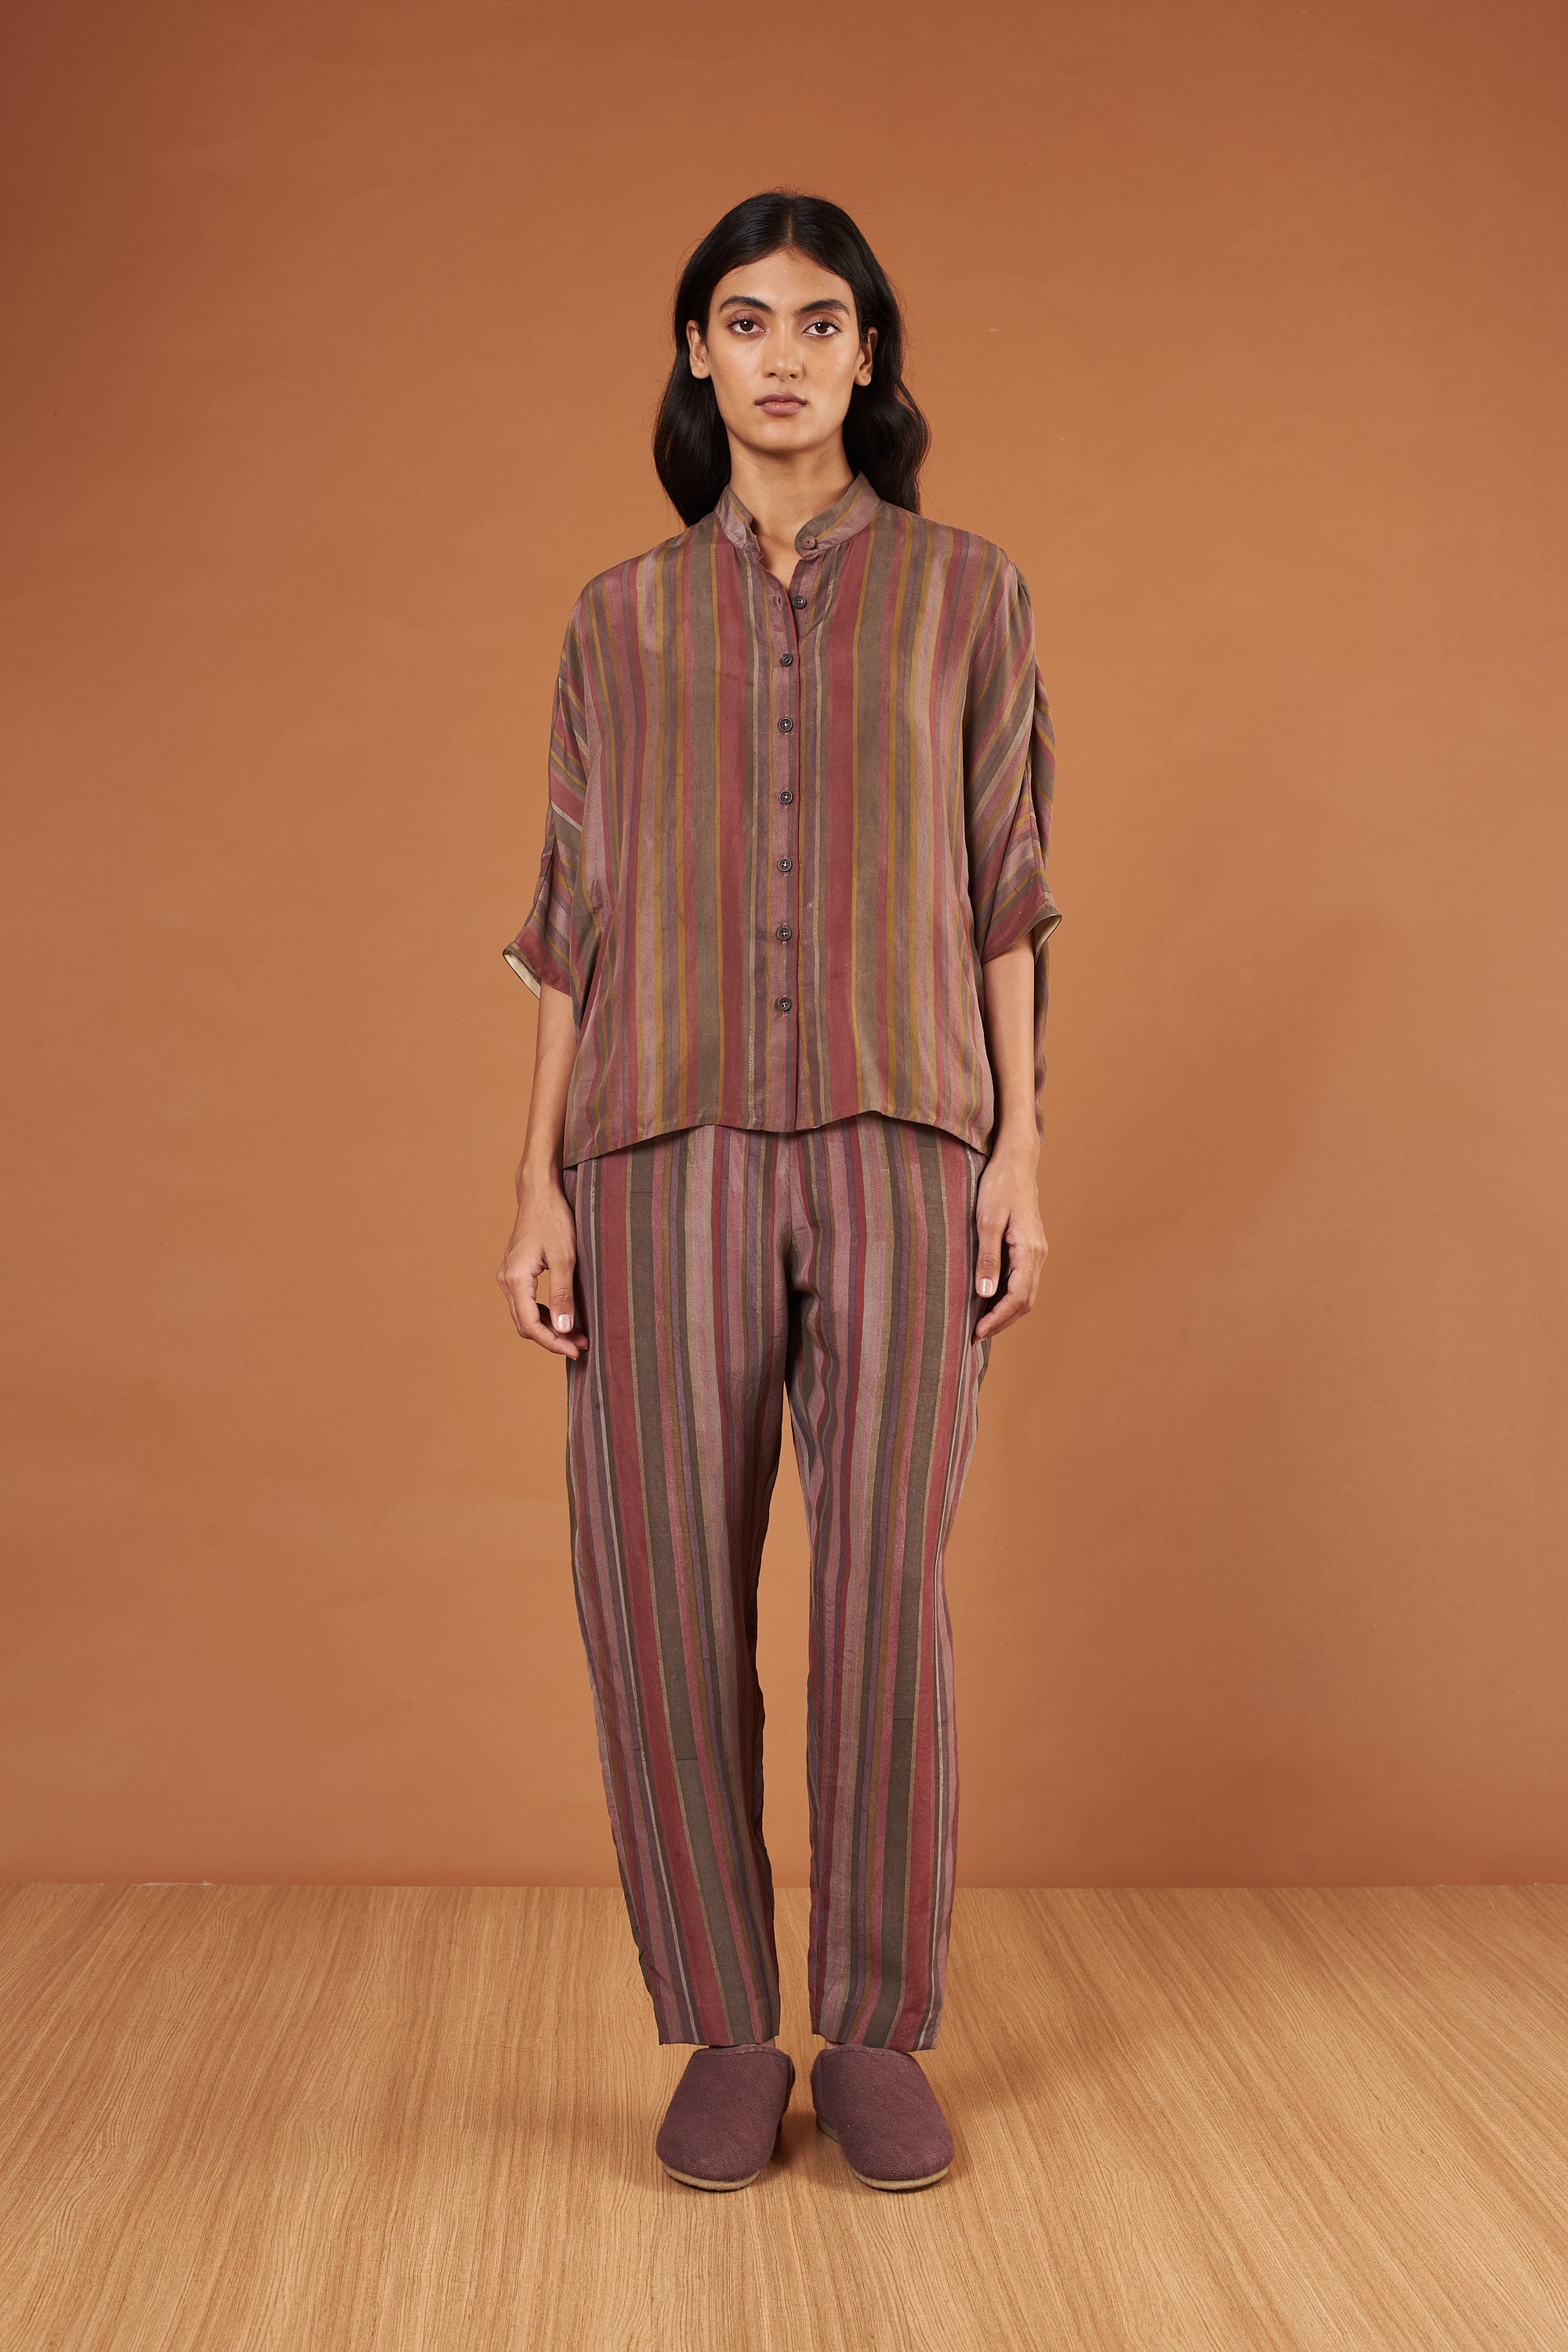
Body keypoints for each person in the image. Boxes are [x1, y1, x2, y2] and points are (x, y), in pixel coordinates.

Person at [497, 189, 1061, 2195]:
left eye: (821, 321)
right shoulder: (618, 619)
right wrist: (536, 1182)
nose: (784, 354)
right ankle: (729, 2029)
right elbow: (570, 919)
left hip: (906, 1139)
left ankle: (875, 2026)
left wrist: (1020, 1149)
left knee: (880, 1595)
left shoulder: (968, 593)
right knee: (657, 1590)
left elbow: (1006, 885)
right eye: (744, 320)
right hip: (657, 1149)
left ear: (867, 356)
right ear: (698, 355)